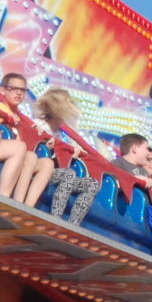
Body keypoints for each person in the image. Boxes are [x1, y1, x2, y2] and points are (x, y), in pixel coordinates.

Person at [30, 87, 102, 224]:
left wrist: (72, 152)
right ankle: (56, 219)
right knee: (68, 174)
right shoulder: (39, 125)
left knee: (92, 184)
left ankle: (73, 223)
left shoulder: (62, 134)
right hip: (38, 169)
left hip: (56, 173)